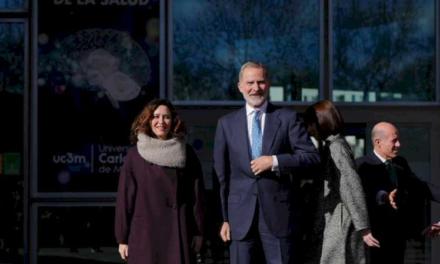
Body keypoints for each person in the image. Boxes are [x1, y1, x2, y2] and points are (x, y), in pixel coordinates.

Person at [213, 61, 320, 264]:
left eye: (260, 82)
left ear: (268, 84)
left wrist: (274, 161)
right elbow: (221, 176)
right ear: (240, 86)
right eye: (250, 82)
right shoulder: (226, 124)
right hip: (240, 218)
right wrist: (224, 218)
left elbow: (311, 157)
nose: (256, 88)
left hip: (279, 216)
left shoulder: (287, 118)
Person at [114, 99, 205, 264]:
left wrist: (199, 232)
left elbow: (196, 196)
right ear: (147, 120)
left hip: (179, 232)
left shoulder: (187, 153)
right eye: (155, 117)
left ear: (174, 121)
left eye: (166, 117)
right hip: (144, 235)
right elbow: (125, 199)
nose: (161, 122)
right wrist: (122, 238)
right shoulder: (135, 155)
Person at [303, 100, 379, 264]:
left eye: (310, 124)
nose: (309, 130)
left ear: (321, 122)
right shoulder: (332, 145)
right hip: (336, 222)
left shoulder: (336, 147)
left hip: (339, 224)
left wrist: (363, 226)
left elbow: (350, 184)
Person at [356, 121, 440, 264]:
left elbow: (419, 186)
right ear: (378, 142)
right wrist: (384, 197)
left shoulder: (400, 163)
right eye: (394, 141)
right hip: (373, 240)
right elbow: (363, 196)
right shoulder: (362, 165)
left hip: (397, 239)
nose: (399, 145)